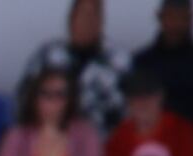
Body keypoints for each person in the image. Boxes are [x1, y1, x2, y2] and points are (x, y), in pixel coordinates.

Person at [22, 0, 127, 131]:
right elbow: (24, 98)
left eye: (92, 16)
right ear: (71, 19)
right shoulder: (48, 55)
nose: (86, 22)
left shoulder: (119, 60)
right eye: (81, 15)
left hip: (103, 137)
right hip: (48, 136)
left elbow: (130, 111)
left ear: (101, 21)